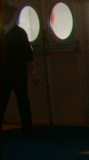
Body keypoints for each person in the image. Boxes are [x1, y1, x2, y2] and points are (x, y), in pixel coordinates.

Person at [2, 4, 35, 135]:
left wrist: (33, 72)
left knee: (22, 100)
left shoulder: (20, 33)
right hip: (4, 72)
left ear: (11, 16)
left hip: (18, 71)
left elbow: (27, 54)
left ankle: (27, 128)